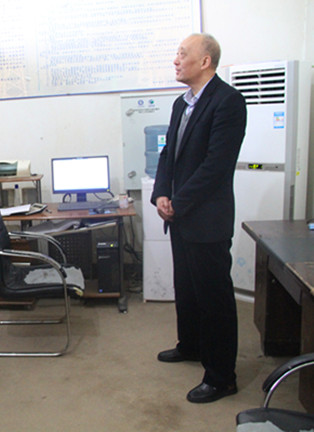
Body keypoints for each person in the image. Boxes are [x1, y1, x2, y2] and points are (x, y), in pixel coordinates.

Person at [151, 33, 247, 403]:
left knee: (214, 299)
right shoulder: (182, 103)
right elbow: (168, 154)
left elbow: (216, 166)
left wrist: (178, 201)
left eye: (182, 54)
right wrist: (162, 193)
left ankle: (222, 377)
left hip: (206, 219)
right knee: (187, 289)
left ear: (205, 61)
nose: (175, 61)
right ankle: (190, 345)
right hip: (180, 216)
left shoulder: (228, 101)